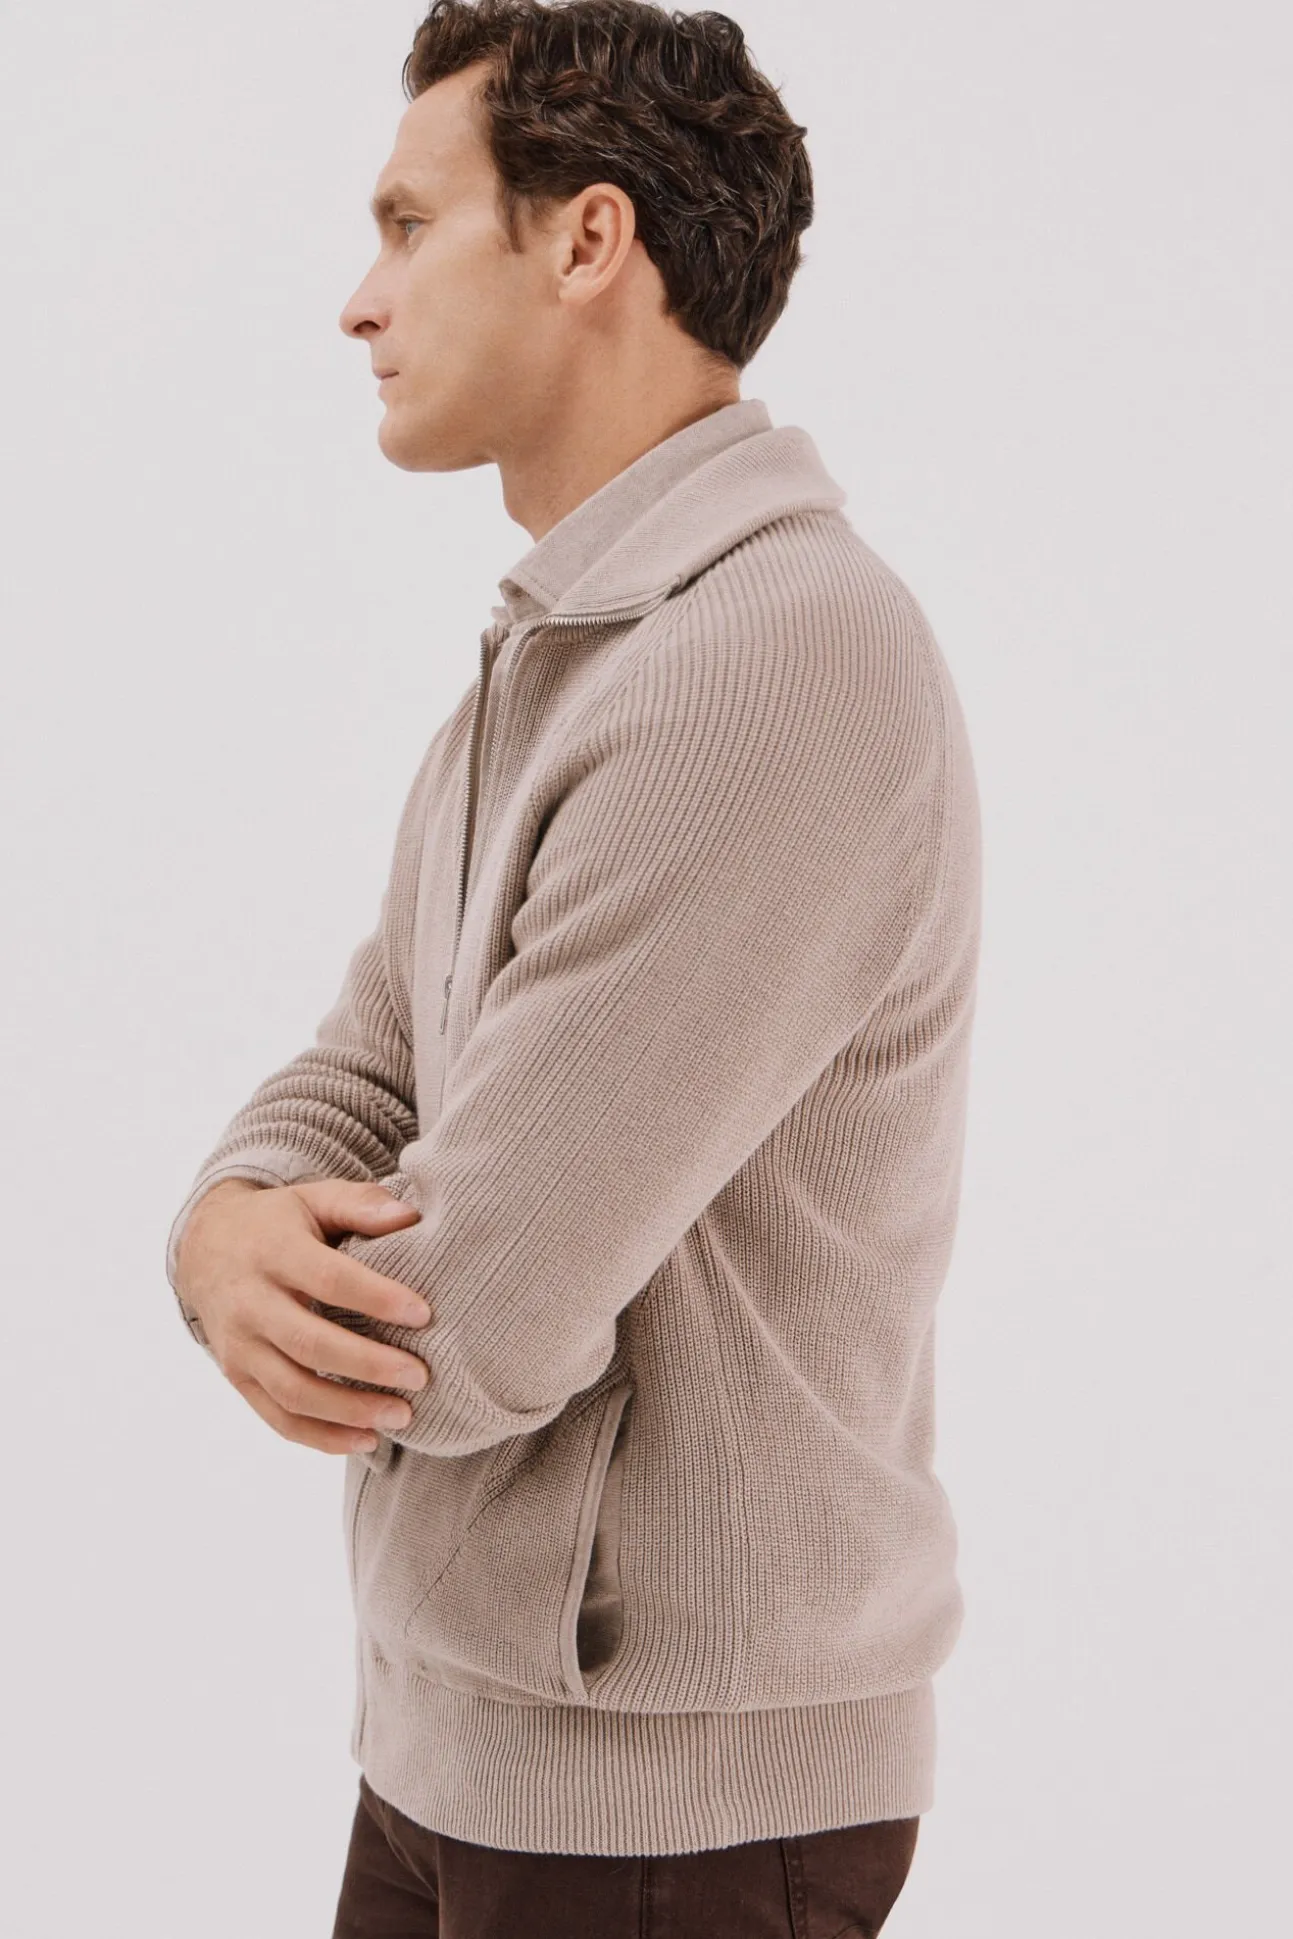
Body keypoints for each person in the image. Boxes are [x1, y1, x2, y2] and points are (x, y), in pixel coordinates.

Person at [166, 2, 981, 1932]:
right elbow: (368, 1063)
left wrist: (273, 1266)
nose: (360, 302)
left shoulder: (770, 659)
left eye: (409, 223)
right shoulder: (571, 651)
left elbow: (467, 1315)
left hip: (665, 1819)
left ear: (588, 238)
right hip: (463, 1750)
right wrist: (222, 1228)